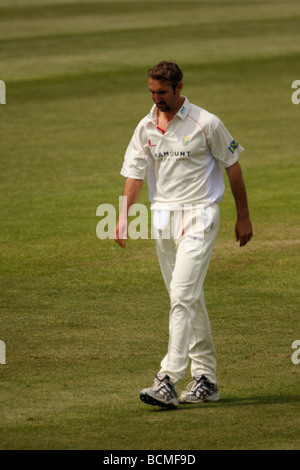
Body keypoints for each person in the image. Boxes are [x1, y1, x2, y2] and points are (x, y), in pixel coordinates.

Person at [114, 61, 253, 408]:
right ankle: (206, 379)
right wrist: (122, 216)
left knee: (181, 294)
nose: (156, 98)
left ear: (178, 88)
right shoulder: (145, 126)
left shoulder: (206, 123)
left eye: (162, 92)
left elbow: (232, 168)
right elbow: (134, 173)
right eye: (151, 92)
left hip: (200, 214)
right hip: (162, 219)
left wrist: (244, 217)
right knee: (188, 298)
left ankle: (167, 378)